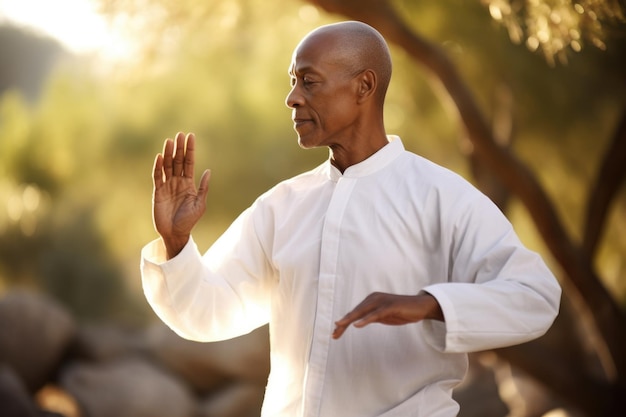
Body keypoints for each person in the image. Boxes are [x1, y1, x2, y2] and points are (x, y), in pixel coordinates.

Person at [141, 21, 561, 417]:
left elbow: (536, 296)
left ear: (364, 86)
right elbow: (210, 312)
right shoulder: (280, 206)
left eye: (309, 80)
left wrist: (430, 304)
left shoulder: (443, 198)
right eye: (292, 82)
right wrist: (176, 243)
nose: (292, 98)